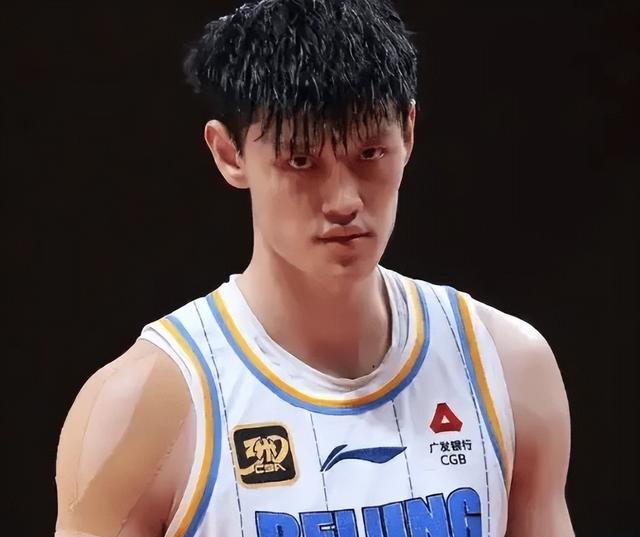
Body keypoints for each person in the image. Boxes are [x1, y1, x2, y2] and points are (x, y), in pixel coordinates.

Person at [54, 1, 574, 536]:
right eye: (301, 161)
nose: (345, 200)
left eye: (369, 153)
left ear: (408, 132)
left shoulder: (507, 368)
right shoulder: (144, 409)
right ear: (229, 154)